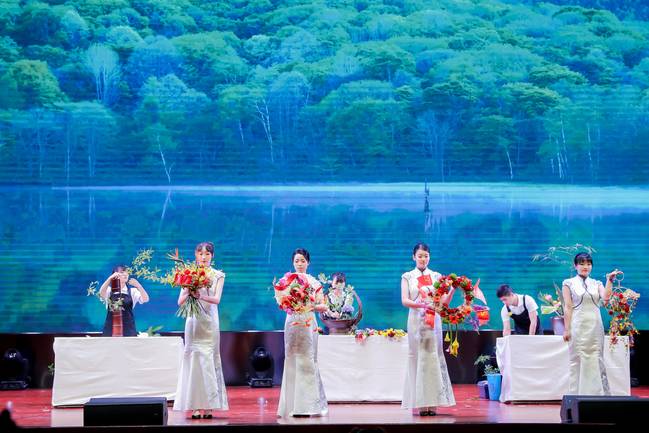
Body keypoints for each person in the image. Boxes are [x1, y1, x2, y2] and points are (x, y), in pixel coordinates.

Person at [173, 242, 228, 418]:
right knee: (194, 360)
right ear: (196, 255)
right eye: (200, 254)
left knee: (209, 359)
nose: (203, 257)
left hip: (210, 322)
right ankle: (195, 405)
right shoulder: (189, 274)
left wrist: (201, 295)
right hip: (193, 322)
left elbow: (217, 299)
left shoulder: (218, 275)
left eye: (207, 254)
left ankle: (209, 405)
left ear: (212, 256)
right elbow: (180, 301)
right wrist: (189, 291)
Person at [401, 243, 455, 416]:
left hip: (433, 322)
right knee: (418, 358)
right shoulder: (407, 276)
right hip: (416, 321)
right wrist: (421, 305)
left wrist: (452, 290)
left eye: (426, 256)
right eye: (420, 256)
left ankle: (433, 403)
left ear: (429, 257)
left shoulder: (437, 276)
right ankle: (420, 404)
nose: (423, 259)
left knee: (433, 358)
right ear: (414, 257)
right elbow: (405, 300)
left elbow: (443, 303)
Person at [277, 248, 328, 418]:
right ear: (293, 262)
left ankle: (308, 406)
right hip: (292, 323)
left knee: (307, 359)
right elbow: (282, 303)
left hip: (308, 323)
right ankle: (291, 405)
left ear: (308, 263)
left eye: (303, 261)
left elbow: (323, 306)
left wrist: (309, 305)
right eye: (297, 261)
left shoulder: (314, 282)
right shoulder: (286, 281)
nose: (299, 264)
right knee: (292, 358)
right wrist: (289, 303)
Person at [562, 252, 621, 395]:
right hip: (578, 326)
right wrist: (567, 329)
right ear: (575, 265)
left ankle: (600, 395)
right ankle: (576, 395)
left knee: (597, 358)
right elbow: (568, 307)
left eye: (588, 264)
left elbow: (605, 299)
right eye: (582, 263)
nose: (585, 266)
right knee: (578, 359)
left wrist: (609, 280)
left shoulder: (597, 283)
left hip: (595, 326)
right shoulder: (568, 283)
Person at [99, 265, 149, 336]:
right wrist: (109, 279)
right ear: (115, 275)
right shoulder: (109, 291)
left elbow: (145, 299)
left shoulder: (132, 291)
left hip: (128, 329)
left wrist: (139, 286)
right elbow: (101, 293)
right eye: (122, 272)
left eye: (127, 272)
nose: (125, 274)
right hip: (111, 328)